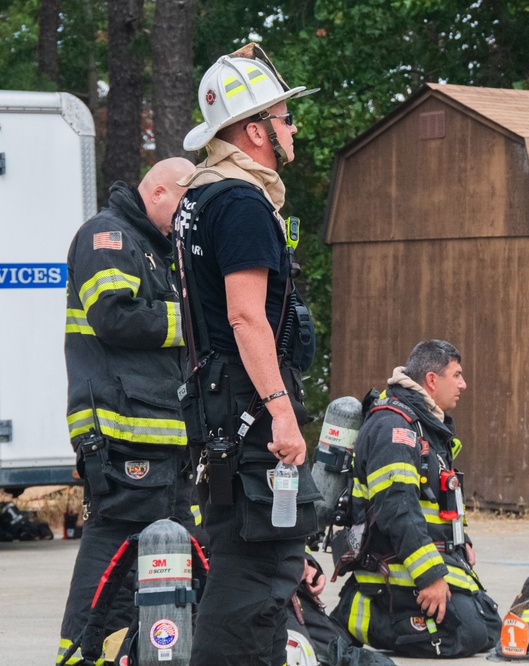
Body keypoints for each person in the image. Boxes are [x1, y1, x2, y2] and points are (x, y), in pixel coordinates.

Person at [175, 43, 322, 665]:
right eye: (284, 118)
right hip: (245, 404)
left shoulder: (200, 195)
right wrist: (282, 413)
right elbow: (245, 315)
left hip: (219, 400)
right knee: (263, 563)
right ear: (255, 130)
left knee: (249, 554)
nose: (292, 128)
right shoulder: (241, 201)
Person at [57, 157, 197, 665]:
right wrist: (194, 322)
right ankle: (79, 656)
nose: (187, 221)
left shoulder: (160, 252)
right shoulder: (107, 235)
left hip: (162, 438)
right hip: (121, 435)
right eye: (184, 205)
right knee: (114, 549)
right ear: (158, 191)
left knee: (175, 553)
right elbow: (114, 316)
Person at [329, 340, 502, 658]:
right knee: (467, 634)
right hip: (392, 568)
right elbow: (398, 509)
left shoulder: (425, 426)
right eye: (457, 375)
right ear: (433, 380)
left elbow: (435, 501)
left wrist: (463, 541)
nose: (463, 384)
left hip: (423, 557)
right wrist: (430, 576)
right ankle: (357, 612)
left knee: (489, 627)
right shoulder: (394, 427)